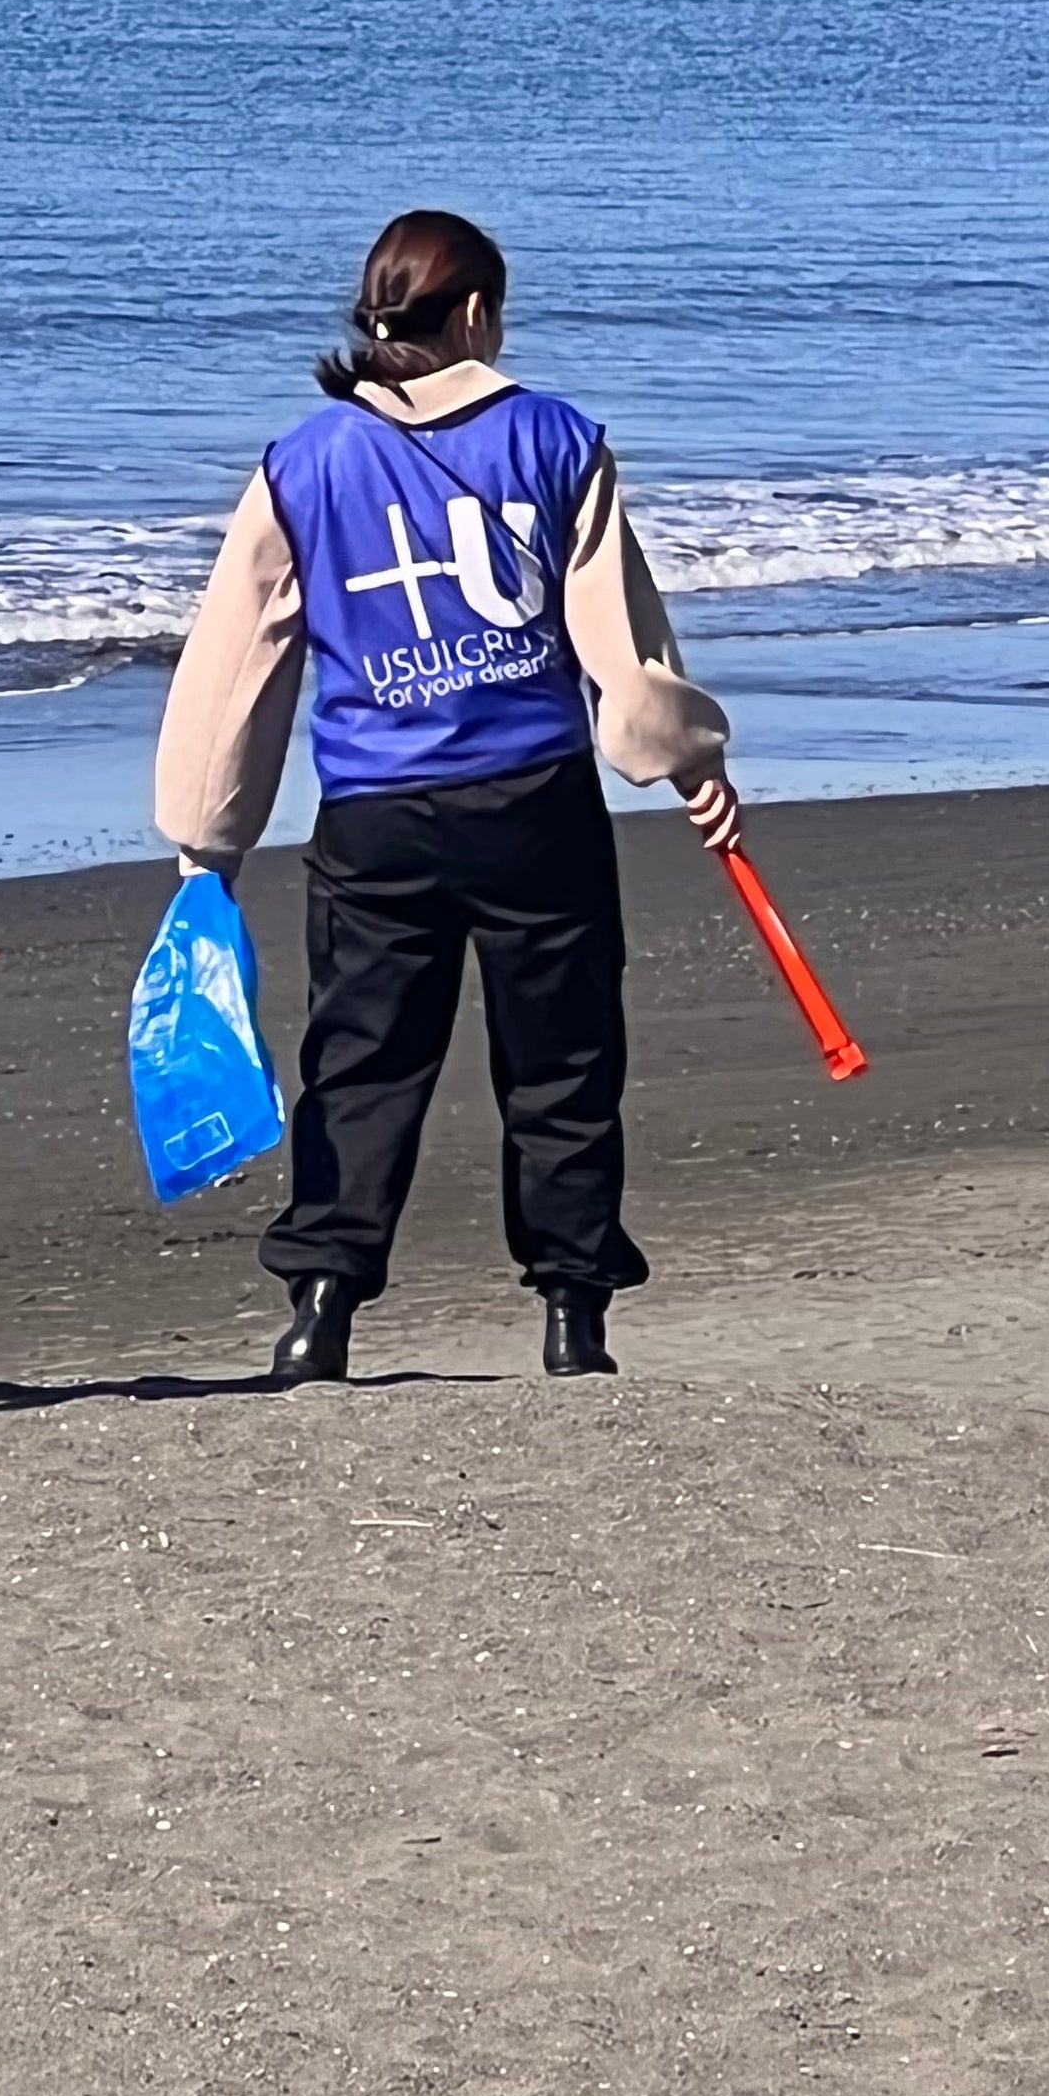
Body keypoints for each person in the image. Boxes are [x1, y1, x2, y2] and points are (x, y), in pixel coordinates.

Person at [154, 209, 742, 1385]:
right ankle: (574, 1317)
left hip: (377, 818)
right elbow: (620, 651)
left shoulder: (301, 462)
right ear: (476, 312)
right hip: (533, 800)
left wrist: (205, 837)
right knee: (563, 1065)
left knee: (363, 1063)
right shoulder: (559, 440)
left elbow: (236, 668)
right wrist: (690, 762)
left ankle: (321, 1307)